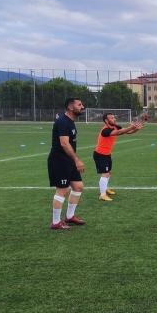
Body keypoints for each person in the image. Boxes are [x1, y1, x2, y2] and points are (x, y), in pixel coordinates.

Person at [47, 98, 86, 230]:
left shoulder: (70, 122)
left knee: (78, 186)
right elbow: (64, 143)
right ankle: (56, 222)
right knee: (62, 190)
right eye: (79, 104)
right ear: (70, 107)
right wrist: (77, 160)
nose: (82, 107)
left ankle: (69, 217)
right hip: (59, 161)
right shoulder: (63, 122)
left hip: (68, 160)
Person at [93, 113, 143, 201]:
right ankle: (102, 194)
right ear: (106, 121)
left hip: (107, 153)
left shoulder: (115, 126)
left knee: (108, 172)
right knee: (105, 173)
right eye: (111, 118)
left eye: (114, 117)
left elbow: (127, 132)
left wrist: (135, 129)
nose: (114, 119)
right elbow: (119, 132)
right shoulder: (106, 130)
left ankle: (105, 189)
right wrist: (132, 127)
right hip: (100, 154)